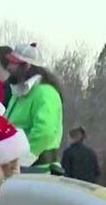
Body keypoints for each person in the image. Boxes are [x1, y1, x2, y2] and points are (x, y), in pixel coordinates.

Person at [5, 43, 64, 173]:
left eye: (13, 63)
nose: (8, 67)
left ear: (26, 66)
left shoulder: (45, 92)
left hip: (38, 170)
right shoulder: (19, 92)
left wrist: (24, 159)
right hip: (18, 167)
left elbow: (45, 131)